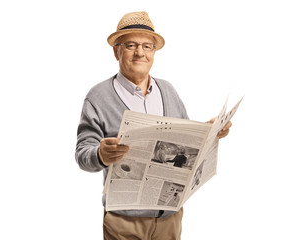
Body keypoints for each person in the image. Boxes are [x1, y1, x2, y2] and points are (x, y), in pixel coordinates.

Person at [75, 11, 232, 240]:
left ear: (154, 52)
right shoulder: (97, 97)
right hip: (124, 222)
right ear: (116, 51)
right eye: (131, 45)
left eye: (147, 46)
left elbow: (186, 143)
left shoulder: (168, 91)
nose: (140, 52)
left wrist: (210, 133)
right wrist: (100, 154)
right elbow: (82, 154)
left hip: (169, 218)